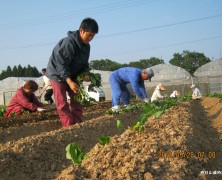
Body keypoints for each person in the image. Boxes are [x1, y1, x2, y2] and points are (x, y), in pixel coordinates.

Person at [46, 17, 99, 127]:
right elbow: (61, 64)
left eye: (93, 36)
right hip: (57, 74)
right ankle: (69, 126)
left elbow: (84, 64)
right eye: (89, 35)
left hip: (73, 74)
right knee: (62, 102)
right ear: (81, 31)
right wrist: (69, 81)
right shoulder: (69, 43)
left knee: (77, 98)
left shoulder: (86, 46)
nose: (90, 38)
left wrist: (85, 74)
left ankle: (78, 124)